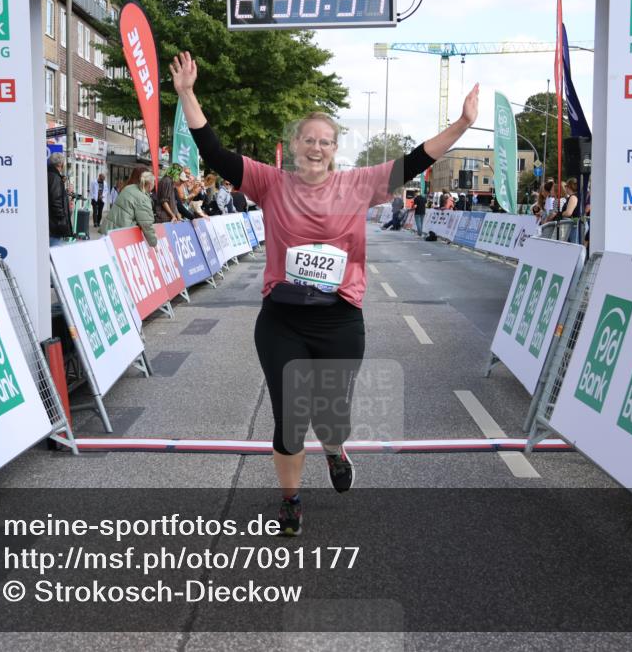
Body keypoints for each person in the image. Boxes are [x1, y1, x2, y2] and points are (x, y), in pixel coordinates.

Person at [170, 50, 479, 535]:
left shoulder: (360, 185)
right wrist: (188, 93)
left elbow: (418, 159)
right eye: (309, 140)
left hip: (339, 319)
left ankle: (334, 448)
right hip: (283, 319)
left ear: (335, 149)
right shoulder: (270, 183)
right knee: (290, 417)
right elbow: (214, 153)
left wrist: (461, 124)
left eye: (326, 142)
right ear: (295, 144)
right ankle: (291, 500)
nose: (317, 148)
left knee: (330, 417)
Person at [100, 167, 157, 246]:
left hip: (109, 231)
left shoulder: (128, 188)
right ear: (150, 186)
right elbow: (146, 224)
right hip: (121, 235)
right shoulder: (143, 198)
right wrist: (154, 243)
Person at [47, 152, 72, 246]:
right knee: (55, 251)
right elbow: (55, 201)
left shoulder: (49, 175)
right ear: (60, 164)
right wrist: (62, 219)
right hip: (55, 225)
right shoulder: (55, 178)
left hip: (50, 223)